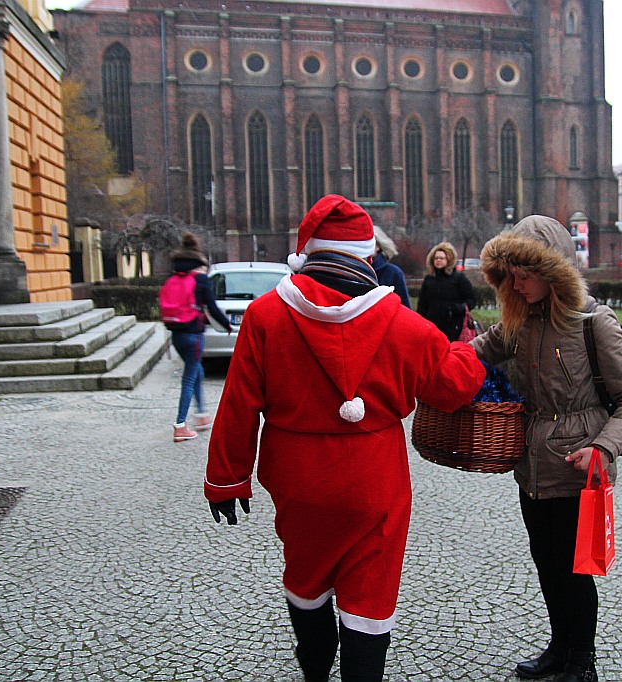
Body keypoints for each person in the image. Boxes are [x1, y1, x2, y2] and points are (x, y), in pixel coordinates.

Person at [204, 195, 485, 682]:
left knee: (306, 574)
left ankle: (315, 666)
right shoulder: (404, 324)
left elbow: (239, 404)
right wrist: (469, 351)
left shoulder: (265, 316)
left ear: (307, 253)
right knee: (370, 589)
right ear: (367, 257)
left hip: (297, 477)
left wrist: (227, 480)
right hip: (374, 479)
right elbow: (454, 384)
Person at [471, 215, 622, 682]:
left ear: (552, 271)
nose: (517, 282)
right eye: (510, 274)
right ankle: (558, 647)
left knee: (576, 572)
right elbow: (472, 353)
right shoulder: (521, 321)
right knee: (547, 564)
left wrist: (604, 449)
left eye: (525, 273)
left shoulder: (594, 322)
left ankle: (581, 661)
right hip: (532, 467)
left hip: (581, 468)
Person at [166, 232, 232, 442]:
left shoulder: (173, 278)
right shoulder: (201, 280)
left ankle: (202, 414)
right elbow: (211, 307)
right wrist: (226, 326)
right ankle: (180, 425)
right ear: (199, 261)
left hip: (176, 333)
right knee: (189, 376)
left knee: (196, 369)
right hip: (193, 334)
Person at [417, 241, 477, 341]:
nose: (438, 260)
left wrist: (458, 309)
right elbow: (422, 304)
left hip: (454, 325)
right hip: (432, 325)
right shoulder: (429, 279)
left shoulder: (458, 278)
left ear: (448, 259)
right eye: (436, 258)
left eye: (441, 258)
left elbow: (471, 300)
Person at [372, 225, 411, 307]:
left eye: (370, 243)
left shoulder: (393, 272)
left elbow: (404, 306)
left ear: (378, 247)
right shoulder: (353, 270)